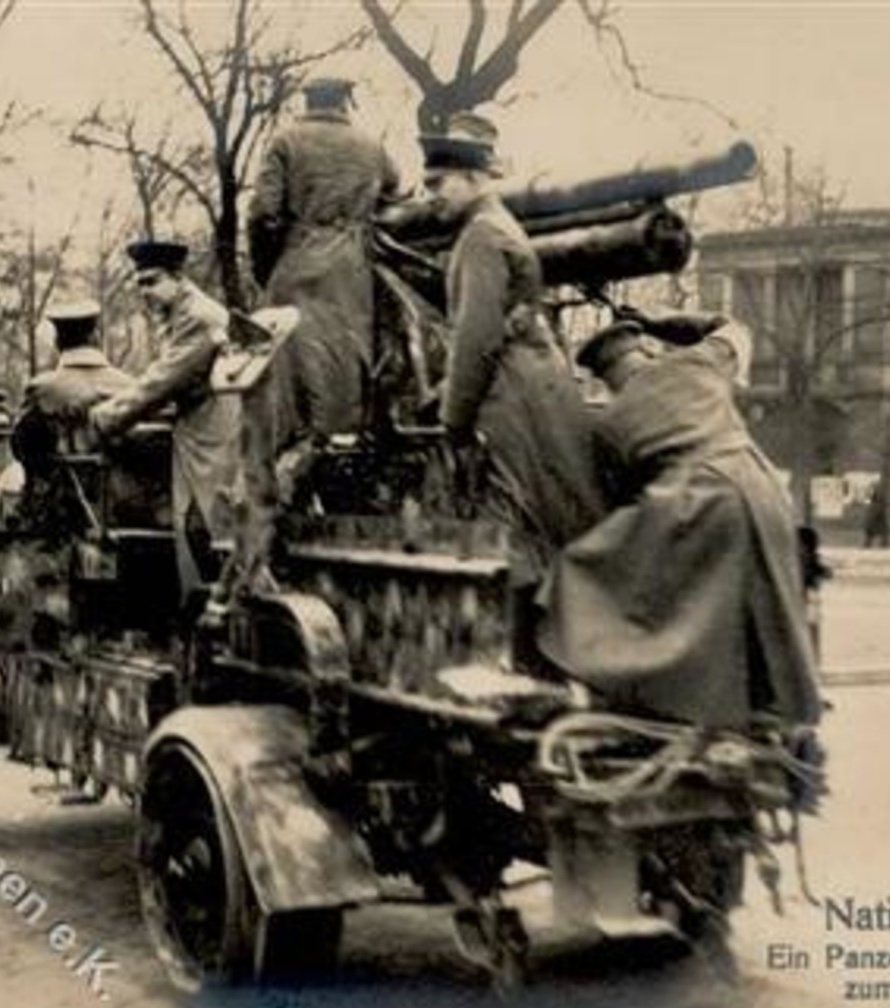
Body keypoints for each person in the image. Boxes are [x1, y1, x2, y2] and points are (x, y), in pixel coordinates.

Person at [537, 313, 823, 731]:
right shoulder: (696, 363)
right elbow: (735, 329)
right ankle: (778, 704)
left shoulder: (610, 422)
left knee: (580, 571)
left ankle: (647, 688)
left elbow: (610, 494)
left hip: (698, 498)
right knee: (767, 590)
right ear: (644, 352)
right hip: (762, 487)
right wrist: (660, 324)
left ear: (607, 378)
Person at [422, 111, 606, 670]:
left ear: (475, 179)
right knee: (553, 519)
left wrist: (451, 423)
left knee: (516, 524)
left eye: (438, 183)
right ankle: (560, 654)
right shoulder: (499, 229)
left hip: (514, 397)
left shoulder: (479, 237)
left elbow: (474, 340)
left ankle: (527, 661)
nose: (429, 195)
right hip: (538, 386)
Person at [247, 75, 402, 453]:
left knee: (290, 366)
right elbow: (394, 200)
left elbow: (264, 214)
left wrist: (267, 269)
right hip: (354, 270)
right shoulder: (372, 147)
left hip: (297, 264)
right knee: (347, 359)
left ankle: (293, 458)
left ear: (308, 102)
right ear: (345, 103)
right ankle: (344, 450)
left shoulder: (285, 142)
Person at [89, 240, 245, 603]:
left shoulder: (198, 317)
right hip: (199, 430)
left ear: (177, 278)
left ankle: (222, 614)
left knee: (211, 528)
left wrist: (104, 418)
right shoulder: (182, 313)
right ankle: (209, 613)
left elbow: (162, 381)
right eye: (140, 283)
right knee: (198, 527)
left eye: (152, 281)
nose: (144, 292)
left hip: (212, 434)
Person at [8, 298, 135, 536]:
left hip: (65, 509)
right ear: (95, 337)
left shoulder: (42, 389)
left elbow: (20, 448)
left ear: (58, 342)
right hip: (128, 503)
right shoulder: (130, 386)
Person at [863, 480, 889, 548]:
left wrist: (875, 511)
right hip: (878, 511)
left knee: (872, 528)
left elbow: (877, 500)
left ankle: (869, 543)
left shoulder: (878, 493)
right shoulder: (879, 493)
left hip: (877, 511)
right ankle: (882, 543)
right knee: (881, 529)